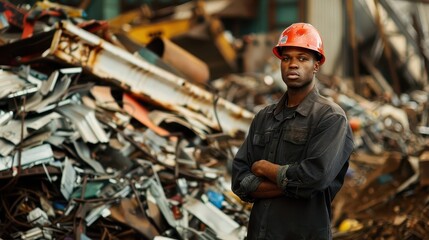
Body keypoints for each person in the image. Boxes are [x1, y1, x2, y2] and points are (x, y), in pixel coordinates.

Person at [231, 22, 354, 240]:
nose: (293, 65)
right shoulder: (263, 117)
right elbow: (239, 178)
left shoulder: (330, 118)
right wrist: (293, 184)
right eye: (286, 58)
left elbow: (315, 178)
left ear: (316, 65)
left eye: (302, 58)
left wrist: (264, 167)